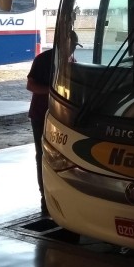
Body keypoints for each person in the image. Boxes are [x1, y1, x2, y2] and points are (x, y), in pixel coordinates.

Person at [26, 31, 80, 214]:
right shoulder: (43, 59)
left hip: (63, 117)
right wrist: (53, 92)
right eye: (69, 46)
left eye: (73, 47)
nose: (71, 50)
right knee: (42, 154)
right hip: (41, 114)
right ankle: (44, 195)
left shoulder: (72, 61)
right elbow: (30, 85)